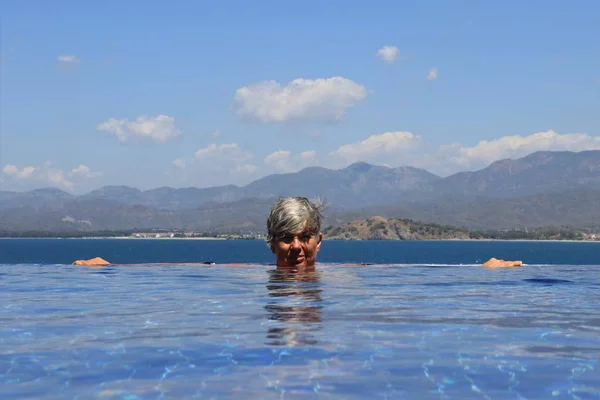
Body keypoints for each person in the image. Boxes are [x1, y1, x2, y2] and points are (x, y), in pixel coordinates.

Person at [266, 197, 324, 269]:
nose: (296, 246)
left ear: (318, 242)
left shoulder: (338, 276)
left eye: (305, 237)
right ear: (272, 243)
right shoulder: (253, 275)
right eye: (286, 237)